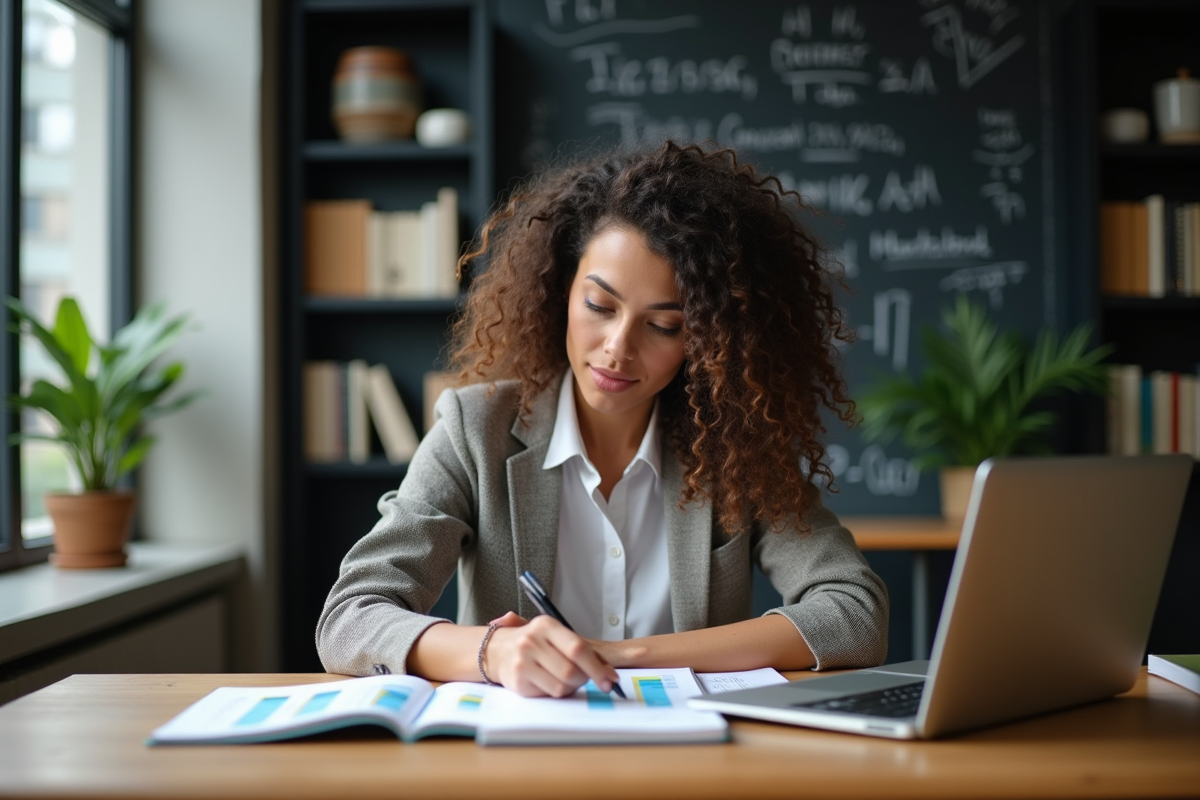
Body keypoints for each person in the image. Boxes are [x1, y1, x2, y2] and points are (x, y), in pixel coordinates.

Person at [317, 141, 888, 697]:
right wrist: (493, 652)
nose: (618, 348)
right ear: (561, 291)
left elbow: (855, 613)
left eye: (663, 325)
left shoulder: (735, 447)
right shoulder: (477, 430)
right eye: (599, 306)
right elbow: (350, 618)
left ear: (708, 340)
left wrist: (622, 657)